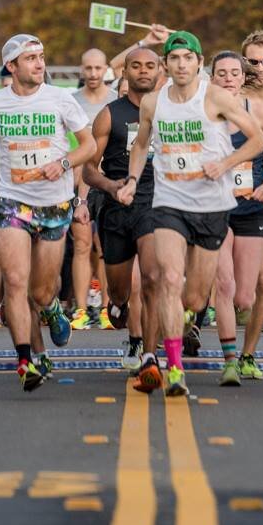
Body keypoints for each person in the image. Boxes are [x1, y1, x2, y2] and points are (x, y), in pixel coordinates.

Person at [128, 30, 262, 397]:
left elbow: (258, 139)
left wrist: (226, 162)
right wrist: (131, 179)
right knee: (169, 278)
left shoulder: (215, 96)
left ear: (199, 63)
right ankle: (173, 370)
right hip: (169, 201)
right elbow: (141, 145)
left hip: (212, 205)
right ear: (166, 65)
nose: (181, 64)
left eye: (188, 58)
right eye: (174, 59)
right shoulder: (153, 103)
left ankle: (186, 320)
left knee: (196, 298)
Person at [0, 34, 96, 392]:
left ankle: (51, 309)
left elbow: (89, 145)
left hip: (53, 203)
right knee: (16, 283)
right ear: (12, 66)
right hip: (10, 203)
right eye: (31, 58)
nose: (39, 64)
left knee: (39, 291)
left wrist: (63, 162)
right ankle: (26, 361)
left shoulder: (60, 99)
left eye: (41, 57)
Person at [211, 50, 263, 386]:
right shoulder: (204, 112)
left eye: (235, 72)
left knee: (245, 296)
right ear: (213, 77)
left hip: (252, 206)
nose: (229, 78)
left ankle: (244, 353)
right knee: (224, 283)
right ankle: (230, 360)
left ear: (242, 77)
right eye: (222, 73)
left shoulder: (257, 110)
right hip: (215, 208)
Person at [82, 44, 162, 373]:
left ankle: (148, 352)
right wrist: (111, 187)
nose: (143, 70)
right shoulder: (110, 114)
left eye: (150, 65)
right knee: (119, 290)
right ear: (125, 73)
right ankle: (119, 307)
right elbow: (88, 168)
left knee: (152, 278)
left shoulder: (170, 111)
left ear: (160, 72)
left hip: (156, 203)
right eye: (136, 66)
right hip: (116, 205)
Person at [69, 48, 113, 330]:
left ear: (106, 69)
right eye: (89, 68)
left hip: (108, 179)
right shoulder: (71, 101)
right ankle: (82, 309)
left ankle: (108, 309)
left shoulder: (115, 99)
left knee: (106, 247)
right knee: (82, 245)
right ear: (82, 70)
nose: (94, 74)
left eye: (99, 68)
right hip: (78, 180)